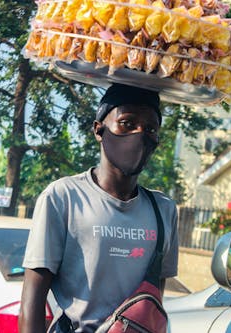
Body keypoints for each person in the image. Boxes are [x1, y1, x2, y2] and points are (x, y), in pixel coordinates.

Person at [19, 83, 179, 333]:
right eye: (127, 123)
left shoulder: (164, 210)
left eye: (150, 129)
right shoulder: (64, 197)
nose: (140, 134)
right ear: (99, 129)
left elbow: (152, 301)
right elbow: (31, 302)